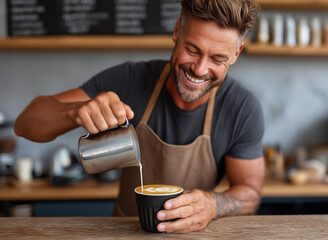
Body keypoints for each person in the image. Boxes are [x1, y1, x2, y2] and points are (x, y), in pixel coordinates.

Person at [14, 0, 265, 233]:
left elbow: (250, 193)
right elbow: (25, 125)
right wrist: (75, 111)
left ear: (235, 54)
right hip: (122, 233)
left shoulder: (242, 108)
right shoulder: (130, 80)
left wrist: (214, 204)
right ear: (177, 31)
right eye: (192, 49)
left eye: (217, 58)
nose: (199, 69)